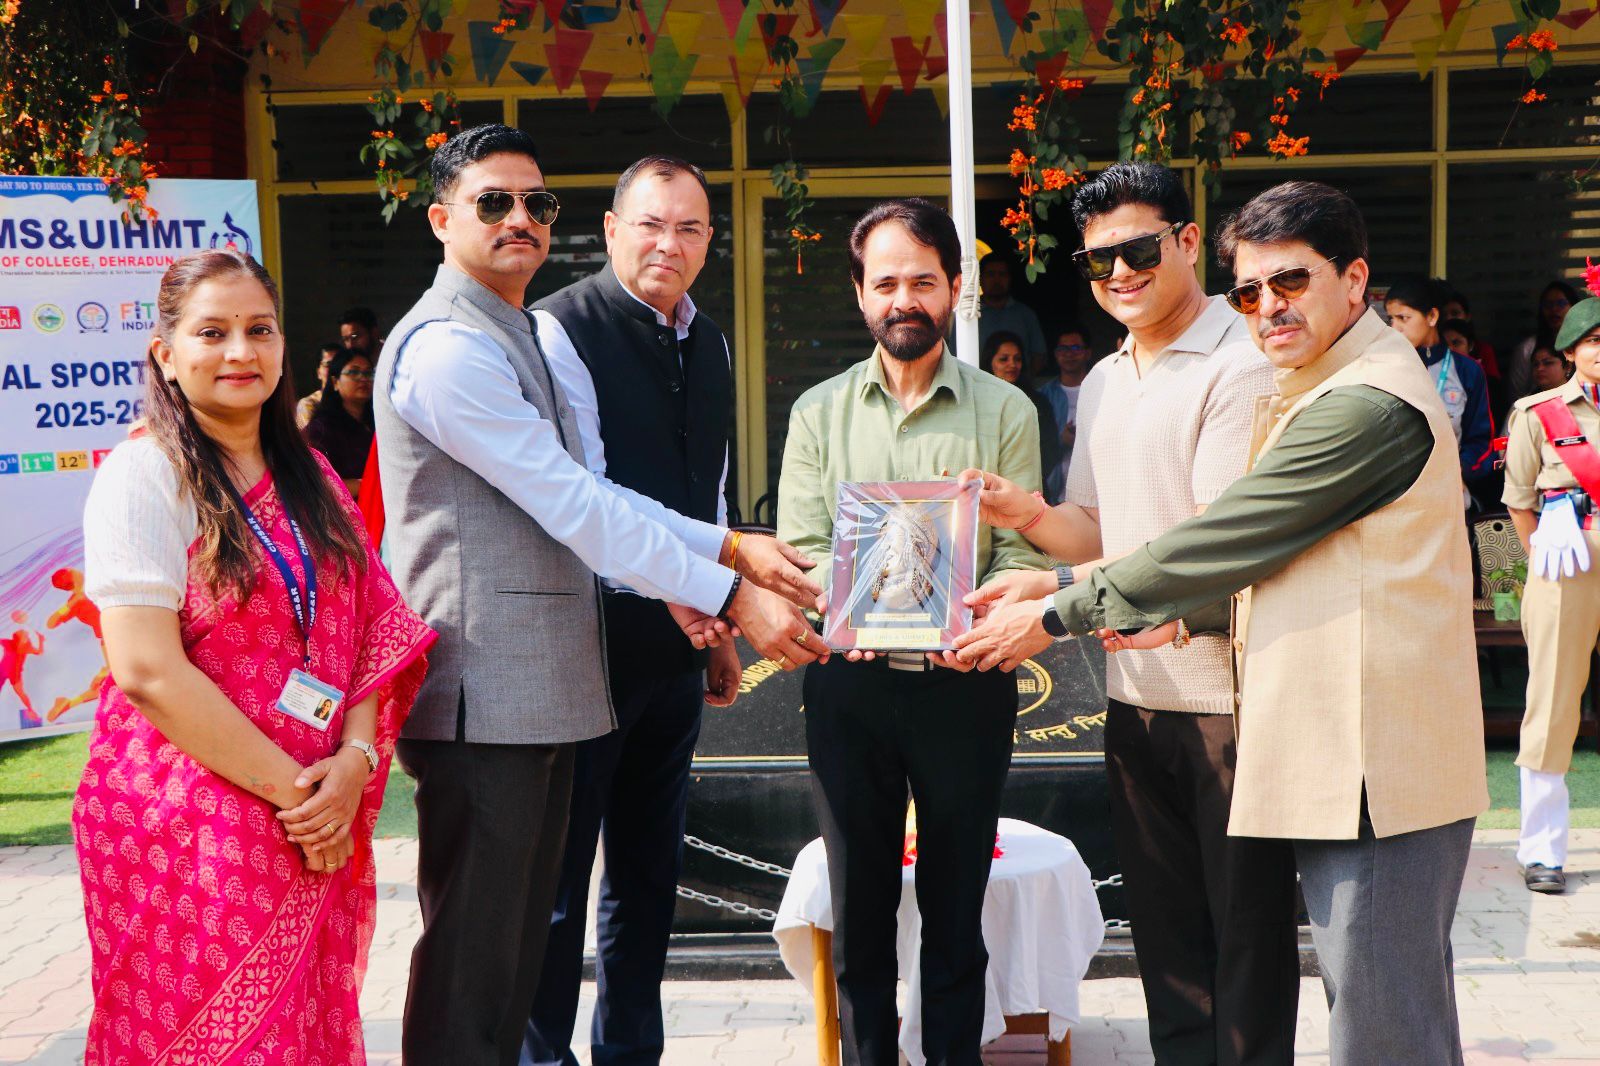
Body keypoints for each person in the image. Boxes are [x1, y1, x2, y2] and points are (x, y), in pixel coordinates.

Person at [955, 180, 1489, 1066]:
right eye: (1251, 291)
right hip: (1324, 737)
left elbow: (1223, 540)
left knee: (1378, 1020)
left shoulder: (1363, 401)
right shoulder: (1311, 381)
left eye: (1292, 282)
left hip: (1374, 757)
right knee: (1358, 1004)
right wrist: (1067, 575)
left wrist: (1056, 609)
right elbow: (1276, 568)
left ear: (1355, 281)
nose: (1269, 307)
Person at [372, 124, 823, 1066]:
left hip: (546, 690)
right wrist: (733, 593)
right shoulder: (452, 349)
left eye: (536, 203)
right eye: (493, 202)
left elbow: (604, 492)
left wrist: (730, 548)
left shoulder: (516, 333)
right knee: (481, 964)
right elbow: (576, 504)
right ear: (441, 219)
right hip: (486, 697)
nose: (520, 218)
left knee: (514, 954)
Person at [960, 161, 1297, 1066]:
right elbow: (1099, 527)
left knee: (1246, 950)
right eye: (1097, 260)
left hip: (1230, 701)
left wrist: (1056, 604)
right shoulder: (1107, 376)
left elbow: (1206, 548)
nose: (1118, 274)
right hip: (1134, 691)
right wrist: (1030, 523)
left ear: (1187, 242)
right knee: (1168, 949)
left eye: (1139, 251)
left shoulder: (1241, 362)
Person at [74, 248, 435, 1064]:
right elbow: (146, 671)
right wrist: (304, 798)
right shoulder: (145, 474)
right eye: (213, 332)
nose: (240, 351)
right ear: (167, 354)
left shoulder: (311, 476)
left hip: (312, 806)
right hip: (186, 820)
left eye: (259, 329)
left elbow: (371, 626)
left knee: (299, 1030)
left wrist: (352, 763)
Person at [776, 198, 1050, 1066]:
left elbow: (1019, 548)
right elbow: (803, 549)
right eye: (886, 281)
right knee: (858, 906)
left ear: (955, 289)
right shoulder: (818, 412)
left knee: (956, 904)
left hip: (964, 683)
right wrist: (846, 606)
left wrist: (976, 607)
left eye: (923, 281)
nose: (905, 299)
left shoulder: (1006, 410)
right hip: (849, 682)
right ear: (860, 293)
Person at [523, 155, 745, 1066]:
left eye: (689, 228)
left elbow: (712, 488)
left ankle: (629, 1053)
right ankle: (543, 1056)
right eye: (651, 225)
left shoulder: (710, 339)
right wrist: (708, 588)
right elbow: (587, 496)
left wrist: (718, 631)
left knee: (651, 878)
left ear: (708, 241)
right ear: (612, 230)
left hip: (677, 645)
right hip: (584, 643)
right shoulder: (559, 330)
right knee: (558, 885)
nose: (669, 245)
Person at [1503, 286, 1600, 895]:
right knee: (1553, 704)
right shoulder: (1539, 414)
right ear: (1569, 350)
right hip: (1567, 564)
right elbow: (1518, 500)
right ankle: (1542, 850)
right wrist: (1541, 553)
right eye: (1592, 341)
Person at [1384, 277, 1496, 494]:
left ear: (1432, 316)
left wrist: (1459, 469)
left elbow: (1481, 440)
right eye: (1391, 319)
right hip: (1397, 494)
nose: (1395, 328)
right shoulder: (1386, 368)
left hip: (1450, 491)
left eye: (1403, 318)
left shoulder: (1466, 370)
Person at [981, 329, 1064, 503]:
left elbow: (1050, 449)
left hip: (1031, 492)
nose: (1012, 364)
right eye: (1004, 359)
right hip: (987, 492)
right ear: (990, 362)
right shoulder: (978, 401)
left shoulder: (1038, 402)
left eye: (1017, 359)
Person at [304, 347, 376, 495]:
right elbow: (314, 484)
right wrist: (368, 485)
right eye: (354, 372)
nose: (363, 378)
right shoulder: (321, 429)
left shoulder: (378, 424)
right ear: (335, 381)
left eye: (368, 373)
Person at [43, 567, 108, 723]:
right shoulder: (78, 600)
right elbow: (50, 623)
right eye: (73, 571)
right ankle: (103, 674)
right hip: (112, 638)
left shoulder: (89, 589)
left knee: (110, 684)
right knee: (112, 682)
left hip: (110, 639)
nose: (79, 570)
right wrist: (73, 603)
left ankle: (68, 704)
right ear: (73, 577)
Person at [1038, 326, 1091, 499]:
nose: (1069, 354)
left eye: (1076, 348)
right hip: (1055, 491)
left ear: (1088, 353)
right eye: (1063, 348)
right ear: (1055, 354)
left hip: (1095, 487)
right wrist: (1061, 440)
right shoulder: (1043, 395)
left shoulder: (1102, 389)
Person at [1508, 281, 1582, 400]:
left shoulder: (1586, 343)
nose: (1554, 309)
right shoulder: (1528, 348)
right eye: (1548, 305)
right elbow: (1517, 393)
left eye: (1561, 303)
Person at [977, 251, 1047, 374]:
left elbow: (1039, 356)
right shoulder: (968, 315)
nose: (997, 280)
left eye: (1002, 274)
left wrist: (1024, 381)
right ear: (980, 279)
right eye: (991, 274)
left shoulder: (1026, 315)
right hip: (976, 384)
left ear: (1010, 278)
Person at [1439, 283, 1501, 385]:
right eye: (1444, 314)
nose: (1449, 318)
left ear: (1467, 316)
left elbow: (1493, 385)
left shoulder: (1483, 350)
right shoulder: (1433, 350)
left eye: (1455, 313)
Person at [2, 611, 43, 729]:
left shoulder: (27, 640)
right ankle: (31, 711)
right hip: (7, 668)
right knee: (19, 692)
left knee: (20, 692)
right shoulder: (14, 638)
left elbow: (38, 651)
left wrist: (39, 641)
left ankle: (31, 711)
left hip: (15, 670)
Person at [297, 342, 340, 427]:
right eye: (328, 364)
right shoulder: (309, 404)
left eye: (338, 364)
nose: (334, 369)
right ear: (318, 372)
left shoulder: (352, 402)